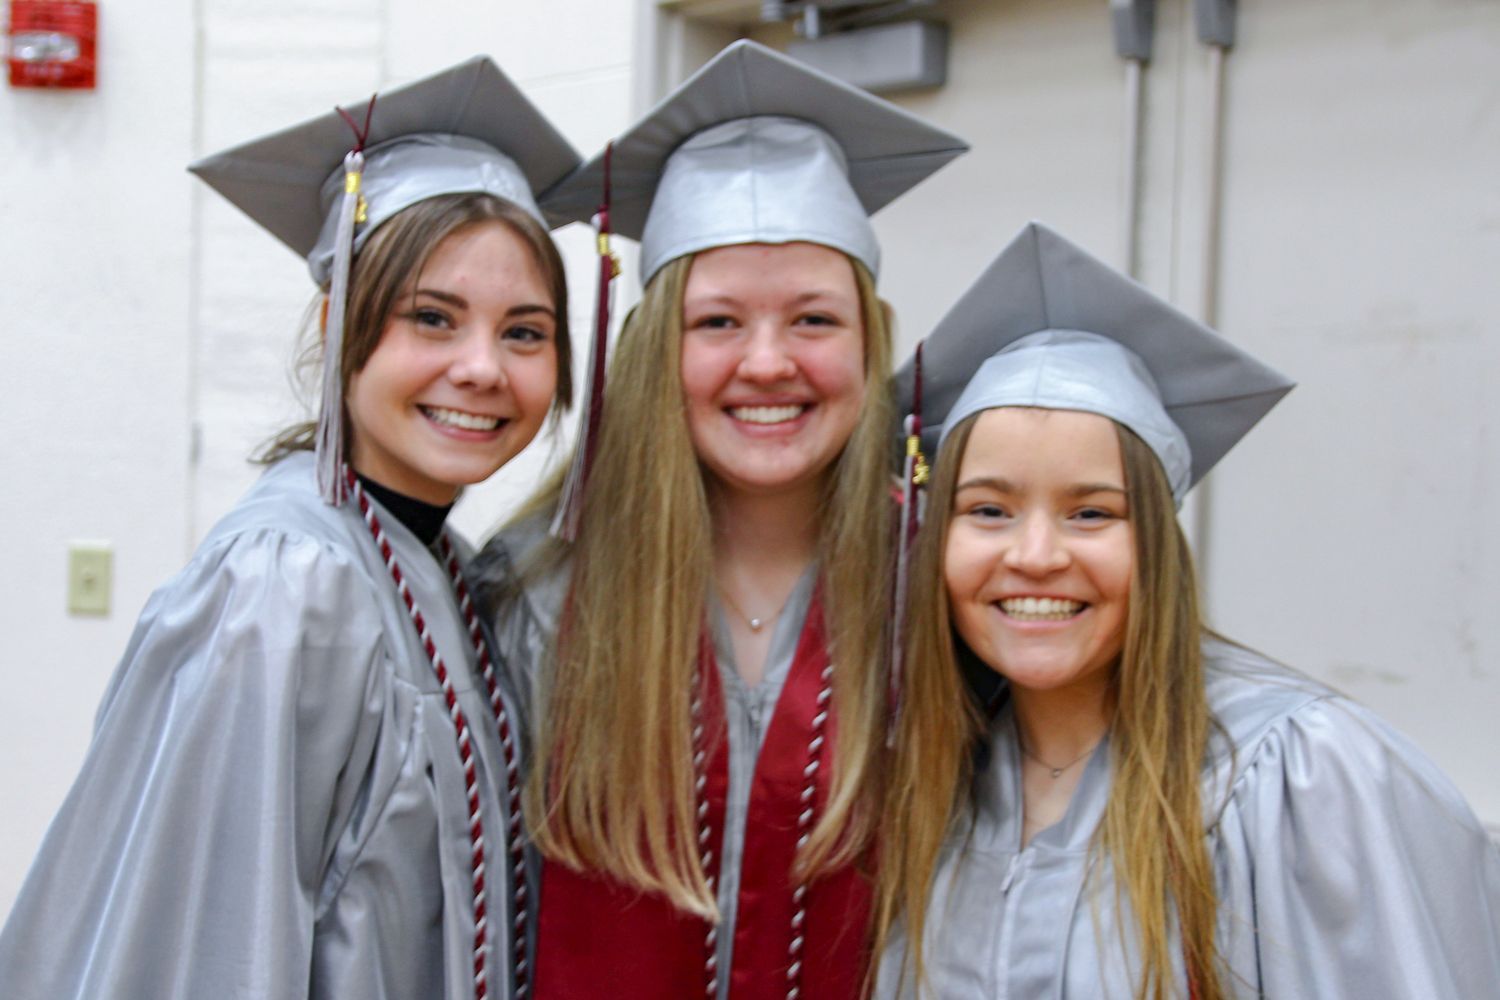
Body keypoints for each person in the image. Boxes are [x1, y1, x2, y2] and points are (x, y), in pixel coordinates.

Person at [0, 57, 579, 1000]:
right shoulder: (289, 584)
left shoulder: (446, 573)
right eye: (432, 318)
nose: (482, 367)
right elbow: (208, 948)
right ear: (338, 323)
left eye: (524, 332)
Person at [874, 222, 1500, 999]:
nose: (1035, 555)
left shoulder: (1299, 778)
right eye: (989, 511)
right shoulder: (936, 788)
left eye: (1093, 513)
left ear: (1160, 545)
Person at [472, 40, 967, 1000]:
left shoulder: (940, 586)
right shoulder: (534, 588)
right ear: (659, 349)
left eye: (815, 321)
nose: (770, 363)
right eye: (720, 322)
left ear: (870, 347)